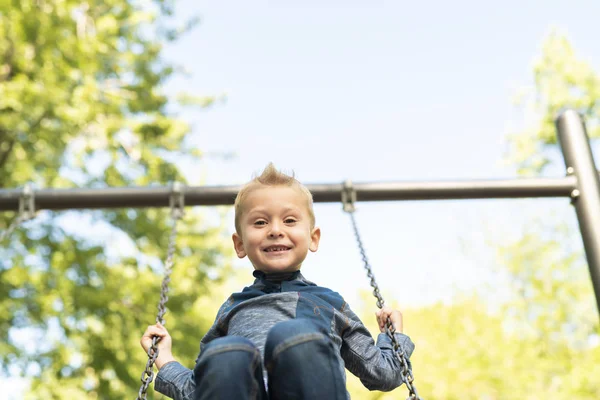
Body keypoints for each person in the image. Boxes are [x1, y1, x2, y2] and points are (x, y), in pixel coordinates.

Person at [140, 163, 415, 400]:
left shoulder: (330, 304)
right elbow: (200, 390)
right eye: (260, 223)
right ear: (240, 244)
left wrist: (393, 337)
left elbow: (384, 374)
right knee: (226, 355)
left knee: (294, 337)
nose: (275, 230)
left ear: (313, 238)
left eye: (290, 220)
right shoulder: (231, 309)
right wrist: (163, 358)